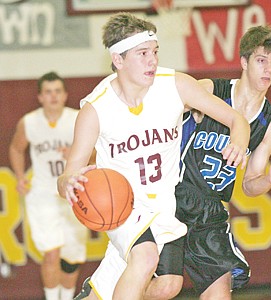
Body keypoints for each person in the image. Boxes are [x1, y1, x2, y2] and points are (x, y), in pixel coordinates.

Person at [57, 12, 250, 300]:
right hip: (121, 205)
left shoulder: (175, 84)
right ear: (118, 60)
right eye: (143, 53)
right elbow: (67, 176)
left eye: (155, 51)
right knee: (145, 256)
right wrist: (69, 183)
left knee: (169, 285)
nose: (153, 60)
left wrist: (238, 141)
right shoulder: (95, 109)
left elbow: (238, 120)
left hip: (163, 206)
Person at [175, 24, 271, 300]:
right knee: (163, 286)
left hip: (210, 211)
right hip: (171, 194)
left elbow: (250, 185)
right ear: (244, 62)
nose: (268, 70)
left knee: (220, 292)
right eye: (261, 61)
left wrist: (270, 179)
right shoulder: (211, 90)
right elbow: (165, 107)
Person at [9, 72, 88, 300]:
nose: (53, 96)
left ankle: (68, 296)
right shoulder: (29, 122)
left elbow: (95, 153)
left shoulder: (78, 119)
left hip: (74, 193)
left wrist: (76, 153)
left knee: (72, 257)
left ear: (64, 95)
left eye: (57, 91)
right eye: (48, 92)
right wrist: (20, 176)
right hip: (43, 194)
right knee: (51, 253)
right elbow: (16, 148)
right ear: (40, 97)